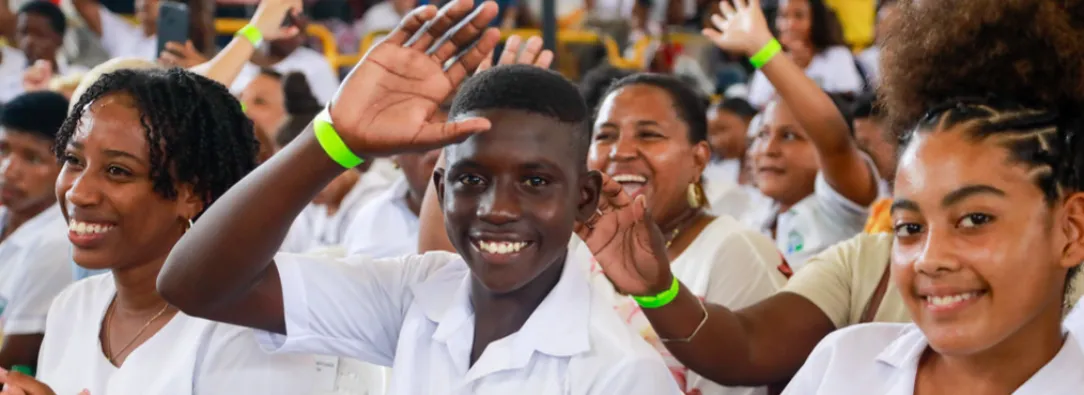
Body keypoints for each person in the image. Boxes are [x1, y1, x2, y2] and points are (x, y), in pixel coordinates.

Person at [157, 1, 678, 393]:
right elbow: (193, 284)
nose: (497, 208)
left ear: (585, 199)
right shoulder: (418, 296)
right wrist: (332, 139)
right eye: (471, 179)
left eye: (536, 181)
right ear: (439, 188)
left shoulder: (620, 372)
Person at [785, 0, 1084, 391]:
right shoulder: (843, 364)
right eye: (909, 227)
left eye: (975, 219)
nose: (929, 259)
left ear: (1071, 231)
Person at [0, 68, 318, 395]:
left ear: (192, 194)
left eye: (117, 171)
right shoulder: (73, 306)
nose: (78, 192)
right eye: (74, 160)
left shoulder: (248, 331)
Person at [584, 72, 785, 395]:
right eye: (605, 136)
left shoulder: (735, 250)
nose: (620, 151)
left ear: (698, 158)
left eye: (648, 135)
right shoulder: (574, 249)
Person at [709, 0, 884, 269]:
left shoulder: (839, 206)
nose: (768, 149)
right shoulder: (753, 215)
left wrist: (763, 49)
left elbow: (832, 137)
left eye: (790, 136)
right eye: (762, 134)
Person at [275, 72, 395, 252]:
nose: (303, 185)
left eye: (310, 173)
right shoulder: (308, 207)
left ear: (338, 160)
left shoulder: (377, 202)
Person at [0, 91, 71, 370]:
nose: (8, 170)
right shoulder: (7, 211)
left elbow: (11, 360)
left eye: (32, 158)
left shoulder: (54, 245)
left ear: (68, 167)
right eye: (3, 149)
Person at [746, 0, 863, 108]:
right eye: (783, 16)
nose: (790, 24)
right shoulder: (766, 54)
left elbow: (848, 97)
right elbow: (757, 102)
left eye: (799, 16)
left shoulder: (838, 55)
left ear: (815, 21)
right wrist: (786, 69)